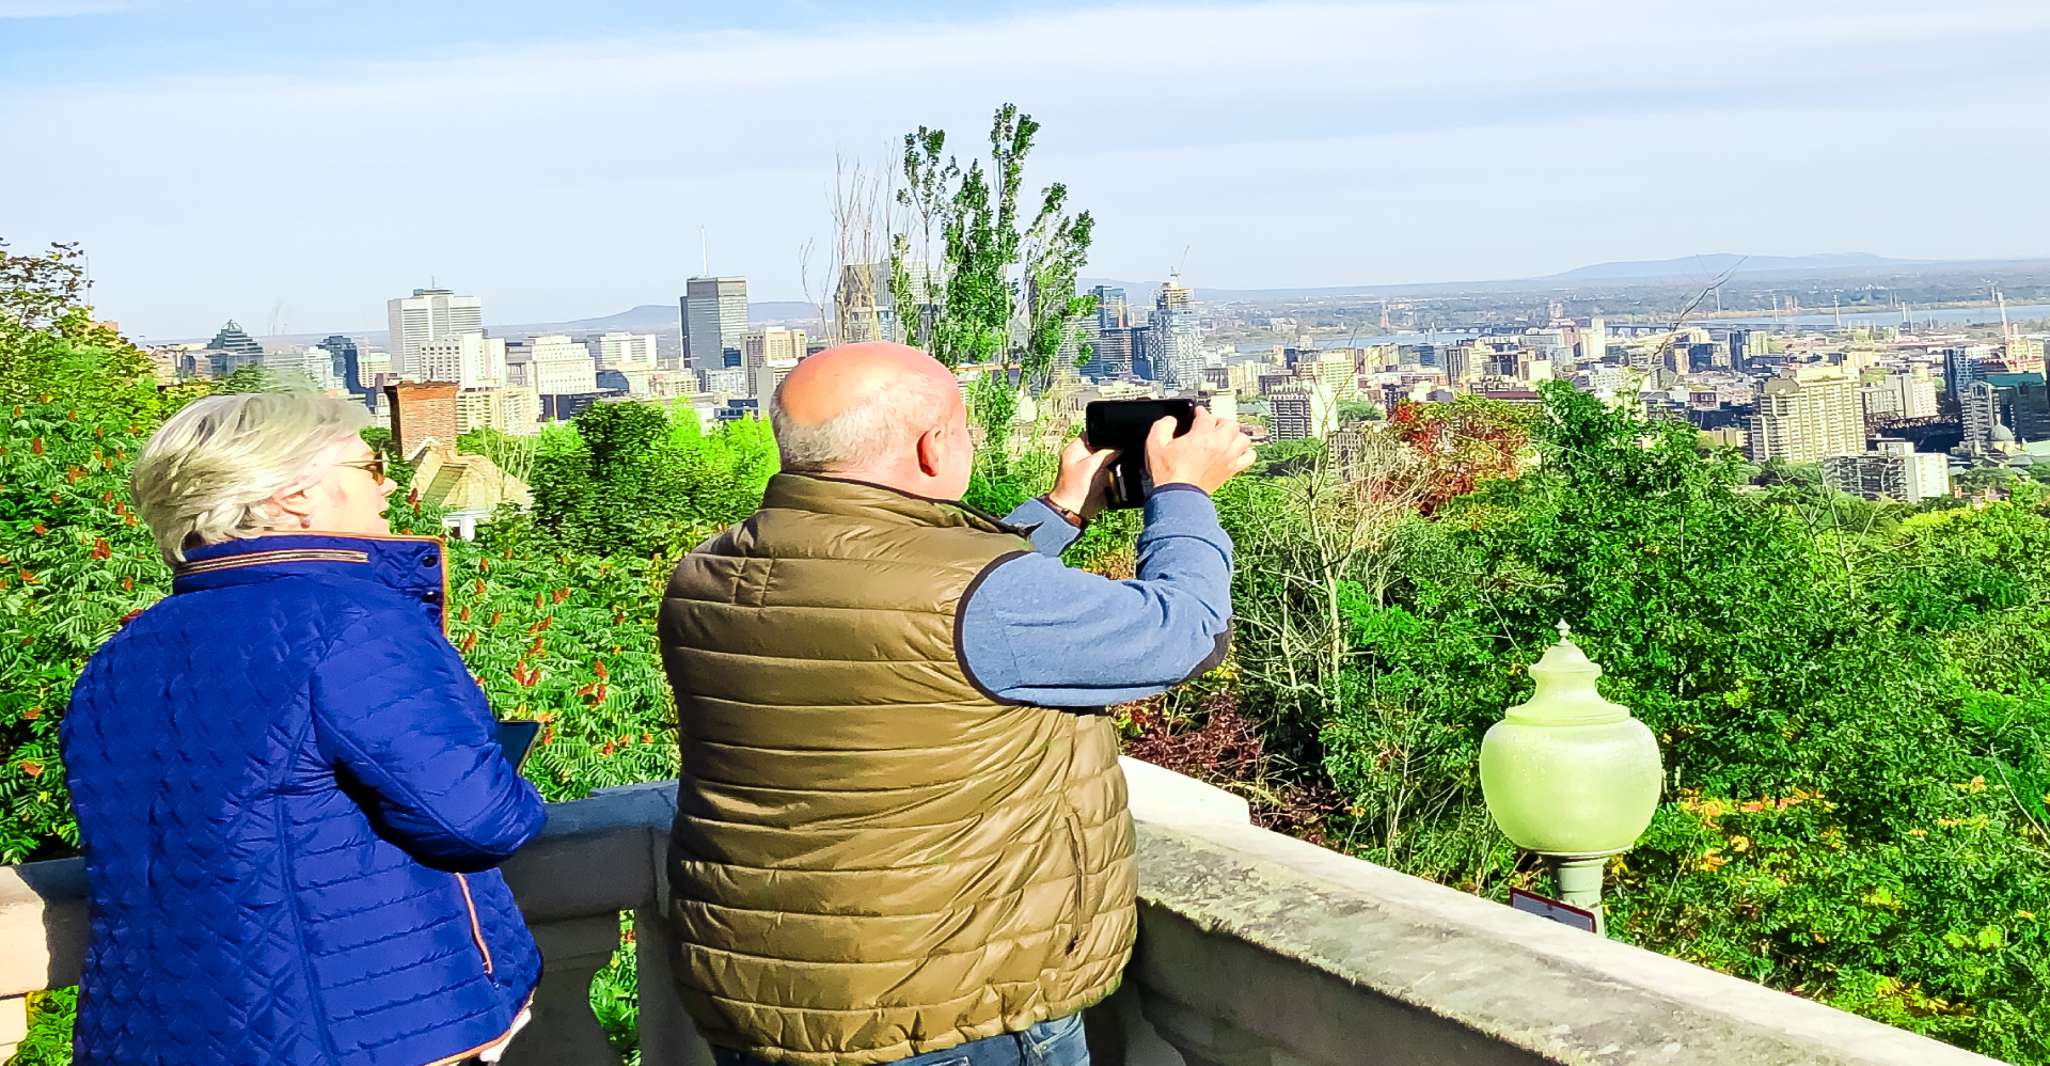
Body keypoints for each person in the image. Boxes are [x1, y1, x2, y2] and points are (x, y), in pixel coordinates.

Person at [657, 341, 1254, 1066]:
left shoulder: (710, 572)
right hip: (946, 1016)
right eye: (964, 428)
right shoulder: (979, 600)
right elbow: (1185, 633)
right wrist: (1184, 495)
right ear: (933, 448)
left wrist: (1060, 511)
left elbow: (918, 607)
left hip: (765, 1000)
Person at [61, 391, 546, 1066]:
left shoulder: (121, 655)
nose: (389, 488)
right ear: (293, 496)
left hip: (149, 1029)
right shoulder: (355, 623)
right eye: (371, 467)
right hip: (361, 1031)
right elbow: (477, 820)